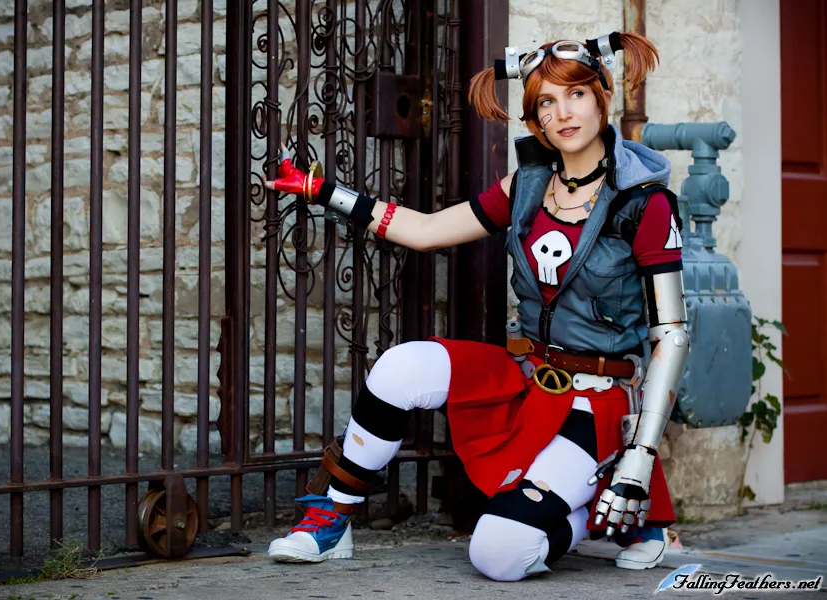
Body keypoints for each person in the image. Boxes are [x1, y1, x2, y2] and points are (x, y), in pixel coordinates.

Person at [262, 31, 689, 582]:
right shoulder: (528, 186)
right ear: (534, 118)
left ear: (601, 96)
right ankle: (333, 519)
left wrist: (639, 460)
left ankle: (617, 515)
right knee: (400, 367)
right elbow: (427, 230)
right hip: (527, 380)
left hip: (597, 404)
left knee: (499, 555)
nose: (563, 113)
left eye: (576, 94)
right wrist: (322, 191)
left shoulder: (645, 204)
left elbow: (671, 335)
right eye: (546, 102)